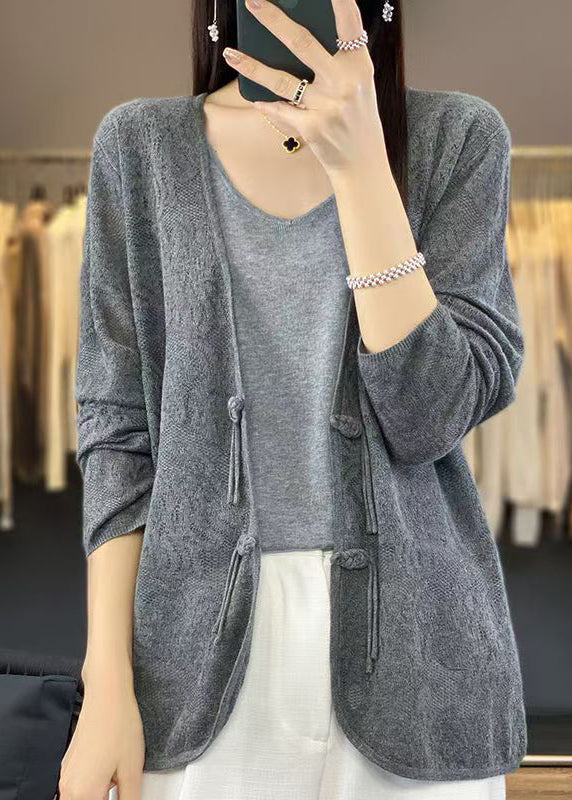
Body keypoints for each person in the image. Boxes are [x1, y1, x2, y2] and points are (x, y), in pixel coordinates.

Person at [58, 0, 528, 797]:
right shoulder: (140, 148)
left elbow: (431, 415)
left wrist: (361, 165)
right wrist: (106, 682)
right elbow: (118, 434)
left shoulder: (459, 138)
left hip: (419, 663)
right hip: (192, 664)